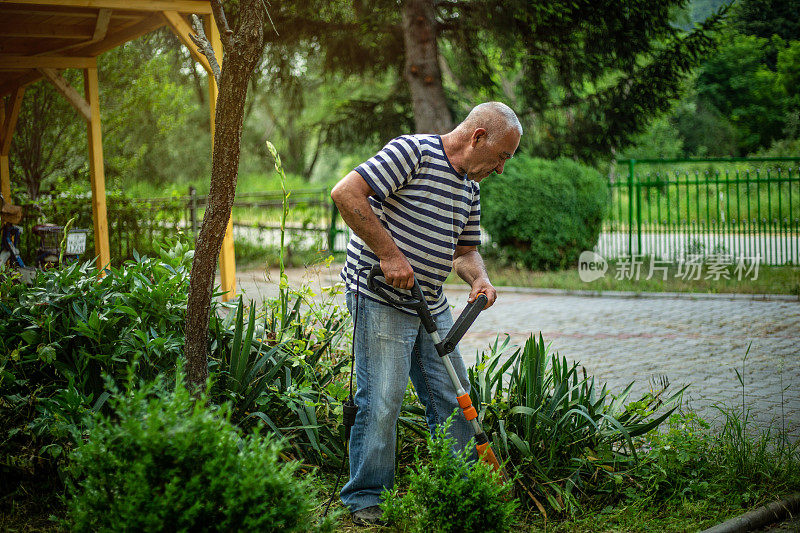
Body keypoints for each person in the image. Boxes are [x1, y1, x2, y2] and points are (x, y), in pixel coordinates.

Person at [330, 101, 522, 526]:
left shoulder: (470, 186)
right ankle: (365, 498)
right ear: (477, 138)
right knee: (382, 398)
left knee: (453, 395)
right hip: (379, 295)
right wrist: (389, 254)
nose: (502, 169)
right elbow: (345, 193)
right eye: (501, 157)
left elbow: (466, 250)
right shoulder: (413, 153)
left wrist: (478, 279)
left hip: (430, 302)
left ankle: (460, 487)